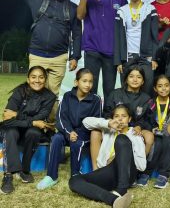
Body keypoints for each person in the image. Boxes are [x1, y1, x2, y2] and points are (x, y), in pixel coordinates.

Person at [8, 0, 82, 117]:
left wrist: (75, 56)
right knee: (33, 92)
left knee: (52, 96)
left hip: (59, 58)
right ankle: (31, 126)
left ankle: (48, 129)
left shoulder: (73, 8)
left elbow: (77, 34)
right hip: (37, 55)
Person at [69, 104, 146, 208]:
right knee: (74, 181)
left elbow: (141, 166)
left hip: (127, 174)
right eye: (116, 116)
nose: (120, 119)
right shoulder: (108, 130)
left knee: (122, 139)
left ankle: (122, 190)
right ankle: (113, 199)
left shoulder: (135, 135)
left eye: (124, 116)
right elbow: (86, 122)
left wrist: (120, 157)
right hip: (108, 172)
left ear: (130, 118)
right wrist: (108, 123)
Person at [36, 68, 102, 190]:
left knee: (76, 143)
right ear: (76, 82)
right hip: (67, 132)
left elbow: (95, 121)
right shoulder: (67, 96)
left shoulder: (96, 99)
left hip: (84, 136)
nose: (88, 84)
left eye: (91, 81)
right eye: (84, 81)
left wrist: (77, 133)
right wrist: (69, 132)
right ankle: (51, 176)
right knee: (56, 138)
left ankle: (75, 176)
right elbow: (61, 118)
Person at [0, 66, 56, 194]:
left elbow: (40, 118)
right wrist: (32, 121)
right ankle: (8, 176)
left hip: (31, 129)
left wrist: (18, 116)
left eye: (41, 77)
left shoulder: (50, 97)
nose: (37, 80)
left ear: (45, 80)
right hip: (13, 128)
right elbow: (8, 120)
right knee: (11, 131)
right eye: (33, 77)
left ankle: (24, 171)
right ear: (28, 79)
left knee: (34, 132)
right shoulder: (20, 91)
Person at [77, 0, 127, 98]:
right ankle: (90, 117)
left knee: (109, 89)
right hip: (92, 48)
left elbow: (125, 28)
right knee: (89, 87)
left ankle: (107, 117)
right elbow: (80, 16)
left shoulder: (122, 0)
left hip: (111, 51)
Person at [90, 66, 153, 170]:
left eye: (139, 77)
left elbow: (148, 119)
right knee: (95, 132)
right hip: (114, 127)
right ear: (126, 79)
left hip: (134, 129)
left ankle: (135, 170)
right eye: (131, 76)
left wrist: (139, 126)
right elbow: (106, 113)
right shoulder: (115, 94)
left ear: (143, 82)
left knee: (150, 136)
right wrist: (113, 123)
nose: (135, 79)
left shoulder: (146, 98)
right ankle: (95, 169)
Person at [114, 0, 158, 95]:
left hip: (146, 57)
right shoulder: (121, 11)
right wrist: (118, 61)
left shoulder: (150, 9)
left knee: (147, 90)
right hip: (128, 57)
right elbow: (117, 37)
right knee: (126, 91)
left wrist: (154, 57)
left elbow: (155, 35)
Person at [137, 75, 170, 188]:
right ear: (155, 88)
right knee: (156, 142)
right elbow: (144, 120)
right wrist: (151, 128)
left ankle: (164, 174)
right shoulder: (151, 103)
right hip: (156, 134)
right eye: (160, 86)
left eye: (166, 85)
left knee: (166, 139)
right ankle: (146, 172)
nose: (163, 88)